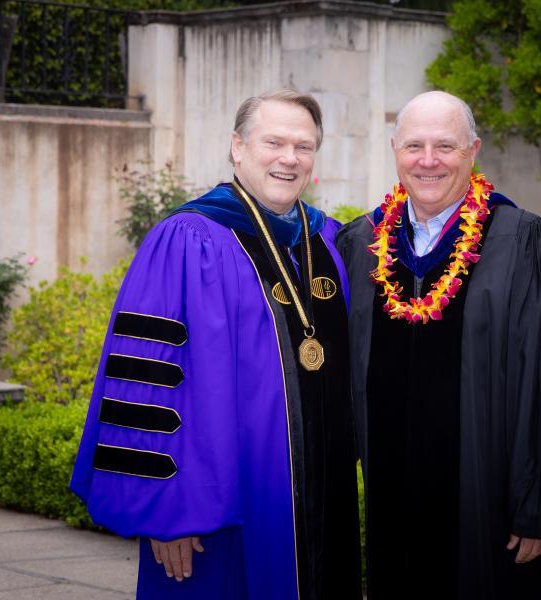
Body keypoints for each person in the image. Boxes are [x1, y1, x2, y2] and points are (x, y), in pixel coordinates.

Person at [71, 89, 361, 600]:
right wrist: (167, 514)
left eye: (304, 146)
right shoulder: (187, 240)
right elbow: (150, 381)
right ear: (237, 146)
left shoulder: (327, 242)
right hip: (217, 516)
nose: (289, 158)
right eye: (273, 142)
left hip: (322, 499)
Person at [336, 91, 541, 599]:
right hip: (392, 509)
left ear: (473, 150)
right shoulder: (360, 245)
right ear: (394, 149)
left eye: (446, 145)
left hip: (495, 515)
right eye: (414, 145)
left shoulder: (523, 242)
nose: (429, 160)